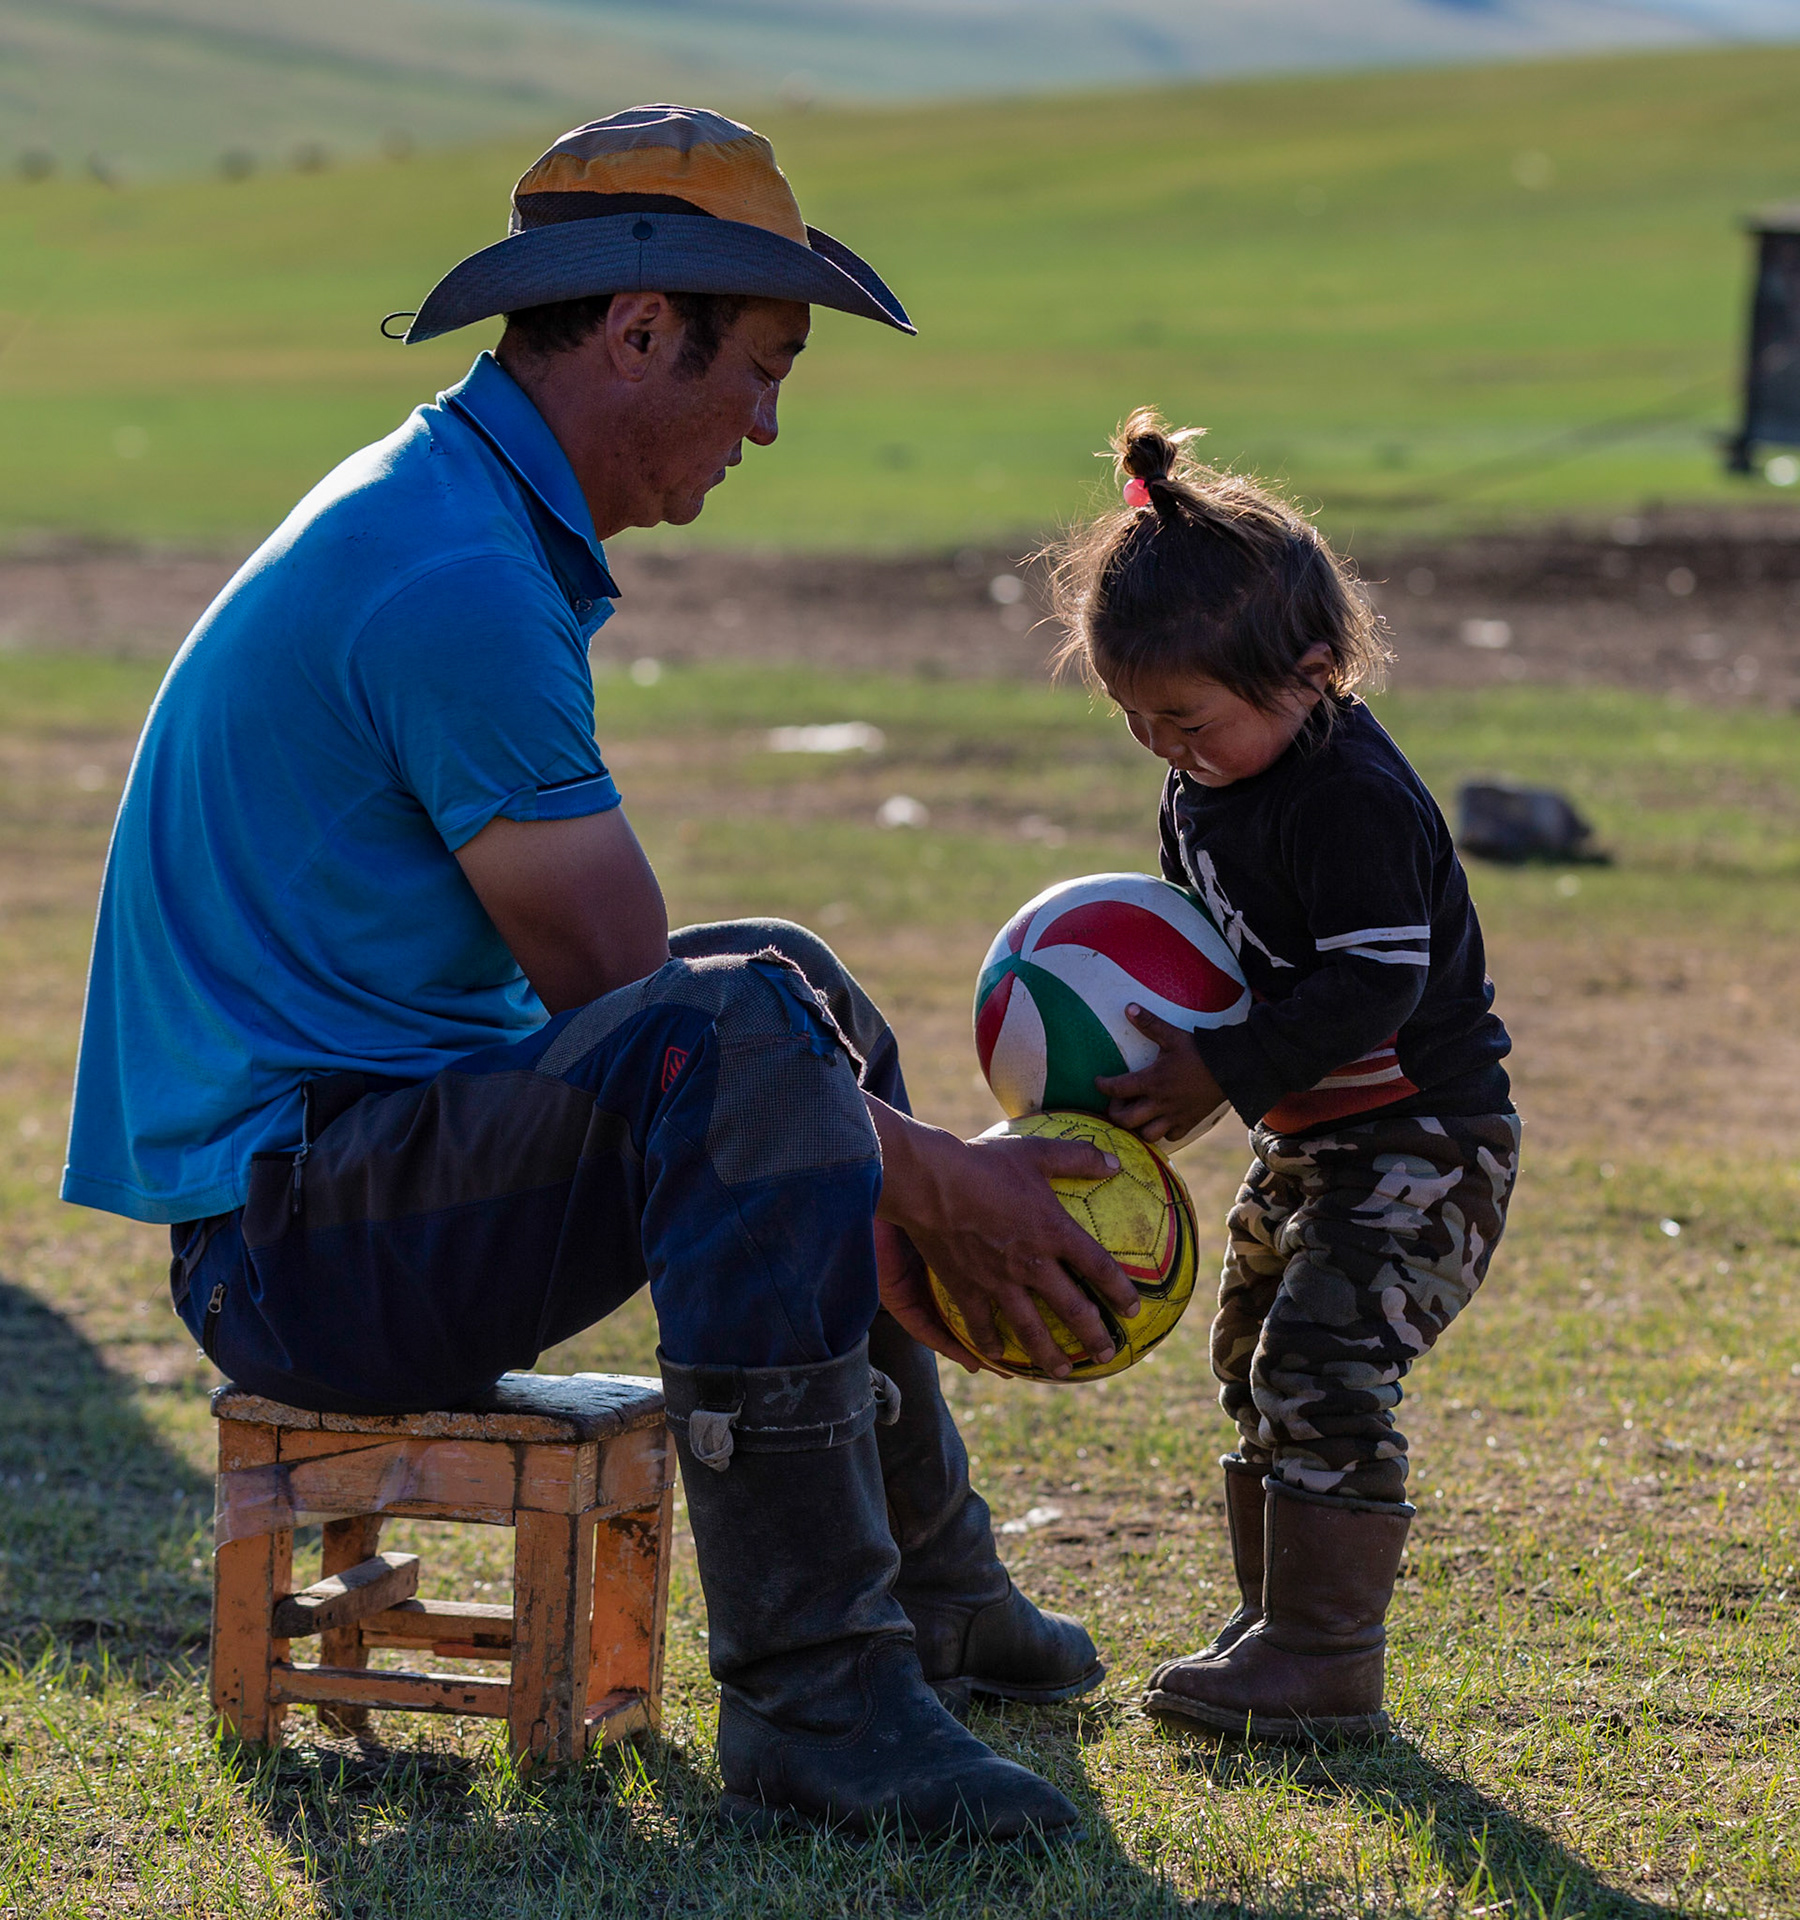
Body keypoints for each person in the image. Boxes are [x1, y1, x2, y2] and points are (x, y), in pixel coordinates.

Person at [61, 106, 1136, 1840]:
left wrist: (892, 1170)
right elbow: (636, 1006)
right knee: (739, 1029)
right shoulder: (452, 576)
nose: (769, 422)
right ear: (641, 332)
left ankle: (930, 1598)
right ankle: (815, 1696)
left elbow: (673, 1007)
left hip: (353, 1181)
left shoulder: (453, 510)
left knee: (788, 983)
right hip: (291, 1250)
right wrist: (946, 1184)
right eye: (764, 368)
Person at [1045, 408, 1522, 1742]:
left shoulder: (1349, 798)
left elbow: (1379, 981)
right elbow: (1198, 948)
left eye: (1186, 717)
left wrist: (1221, 1072)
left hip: (1422, 1136)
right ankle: (1273, 1631)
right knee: (1256, 1351)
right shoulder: (1202, 790)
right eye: (1137, 718)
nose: (1163, 747)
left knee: (1325, 1358)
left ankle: (1323, 1655)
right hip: (1313, 1134)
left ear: (1310, 673)